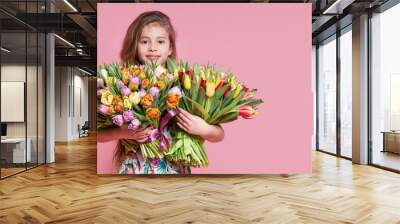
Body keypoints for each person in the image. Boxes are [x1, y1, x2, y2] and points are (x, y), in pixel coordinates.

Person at [109, 11, 224, 174]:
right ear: (135, 47)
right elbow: (100, 135)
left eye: (160, 41)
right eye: (144, 42)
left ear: (170, 48)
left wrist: (204, 129)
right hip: (135, 168)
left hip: (175, 170)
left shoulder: (186, 83)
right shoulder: (124, 83)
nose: (153, 48)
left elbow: (219, 134)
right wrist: (127, 133)